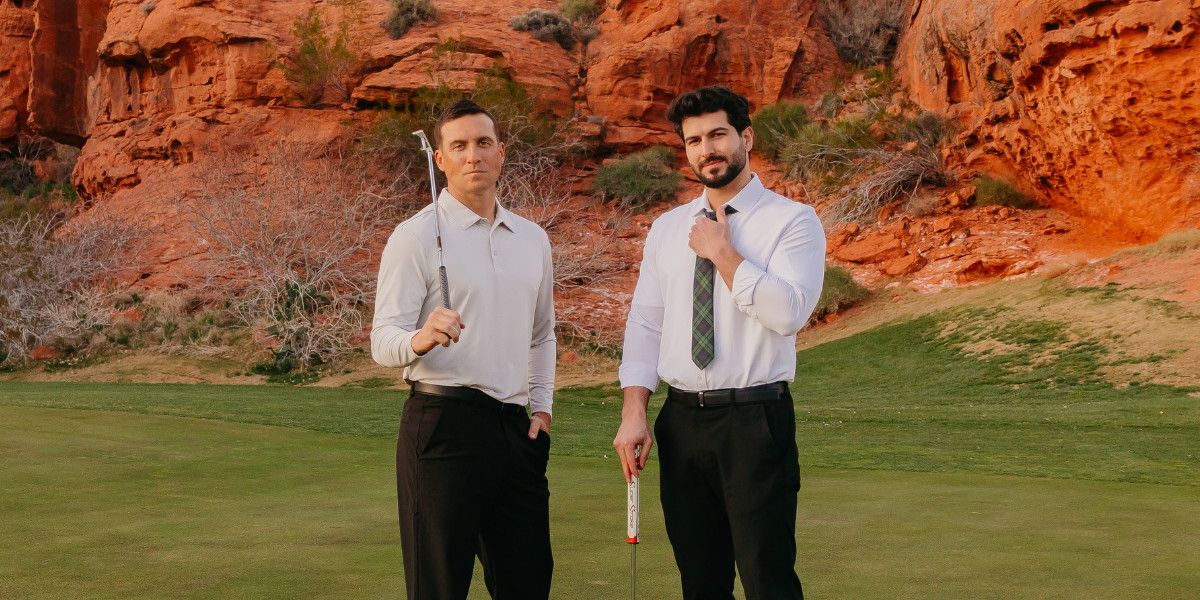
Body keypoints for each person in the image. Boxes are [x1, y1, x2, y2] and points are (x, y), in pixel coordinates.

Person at [612, 85, 826, 600]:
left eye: (717, 135)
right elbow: (646, 323)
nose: (706, 149)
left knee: (766, 577)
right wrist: (634, 411)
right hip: (681, 422)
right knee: (700, 582)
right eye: (693, 141)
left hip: (755, 421)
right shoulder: (666, 229)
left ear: (745, 137)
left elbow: (789, 314)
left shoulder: (793, 221)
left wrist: (724, 255)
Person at [372, 99, 556, 600]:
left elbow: (542, 334)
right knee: (439, 589)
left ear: (501, 153)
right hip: (443, 427)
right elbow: (381, 339)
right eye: (458, 146)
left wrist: (542, 407)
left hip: (516, 432)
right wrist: (419, 338)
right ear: (441, 160)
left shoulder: (533, 239)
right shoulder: (413, 237)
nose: (472, 155)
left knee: (528, 584)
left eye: (482, 143)